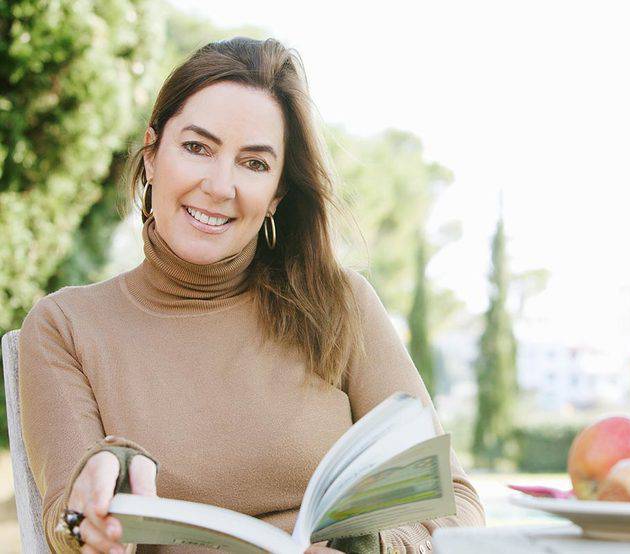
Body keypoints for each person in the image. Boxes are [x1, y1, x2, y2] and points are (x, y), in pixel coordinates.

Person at [18, 37, 485, 554]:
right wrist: (96, 514)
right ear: (151, 155)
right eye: (197, 147)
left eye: (254, 164)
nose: (220, 186)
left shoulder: (341, 305)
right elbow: (65, 520)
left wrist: (377, 547)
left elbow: (454, 501)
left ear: (277, 196)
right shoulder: (64, 325)